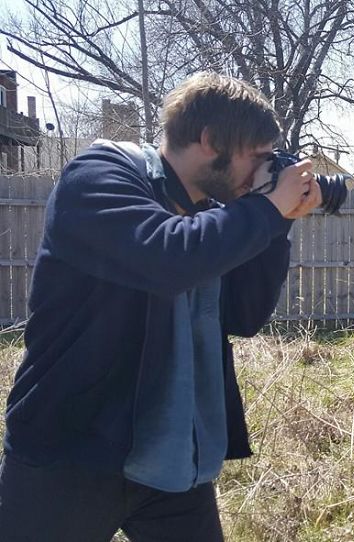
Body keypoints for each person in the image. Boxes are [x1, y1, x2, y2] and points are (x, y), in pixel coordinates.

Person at [0, 72, 322, 541]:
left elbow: (244, 316)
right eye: (256, 156)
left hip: (169, 458)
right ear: (210, 140)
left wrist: (279, 223)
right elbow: (168, 259)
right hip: (71, 448)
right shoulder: (98, 177)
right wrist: (267, 210)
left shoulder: (216, 215)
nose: (262, 171)